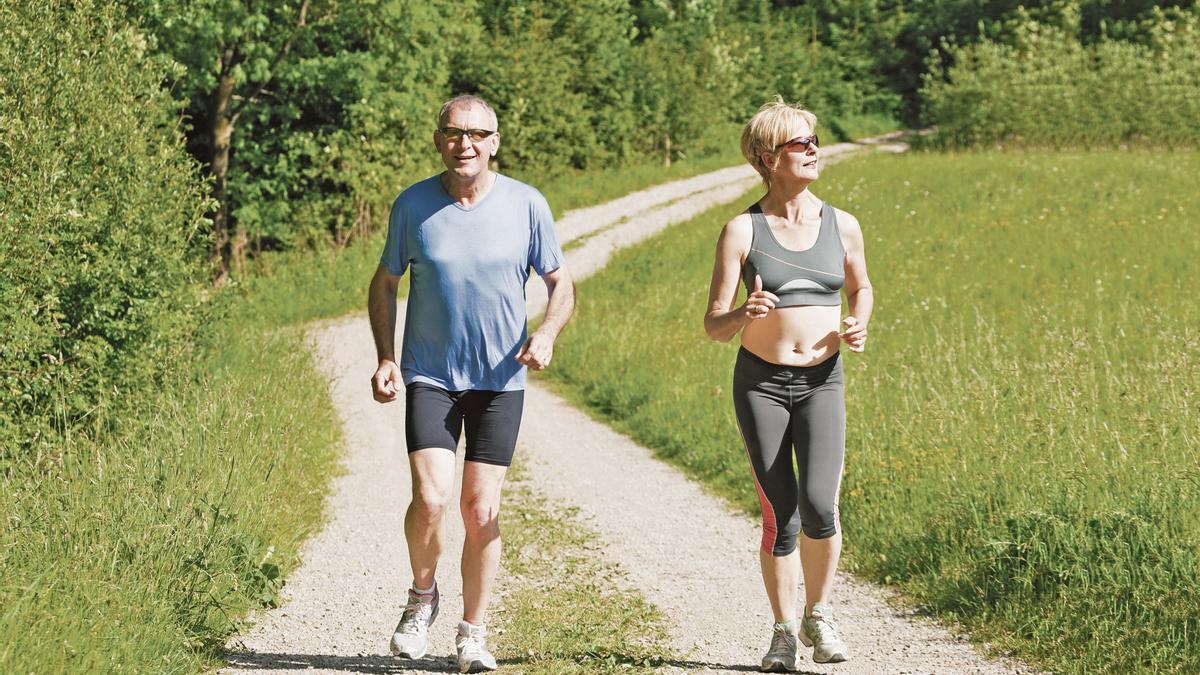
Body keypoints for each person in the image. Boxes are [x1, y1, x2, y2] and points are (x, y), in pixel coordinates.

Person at [368, 94, 575, 673]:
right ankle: (421, 598)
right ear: (439, 140)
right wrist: (386, 357)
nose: (466, 144)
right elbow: (383, 284)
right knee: (431, 500)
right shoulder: (412, 205)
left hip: (500, 381)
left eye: (478, 134)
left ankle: (473, 633)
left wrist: (549, 333)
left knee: (480, 510)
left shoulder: (527, 205)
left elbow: (562, 283)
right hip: (431, 375)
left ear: (495, 142)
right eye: (454, 133)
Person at [703, 98, 873, 671]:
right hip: (762, 386)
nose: (814, 151)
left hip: (824, 382)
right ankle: (781, 632)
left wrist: (859, 322)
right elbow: (713, 326)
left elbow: (862, 288)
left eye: (814, 141)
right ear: (768, 157)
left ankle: (819, 616)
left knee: (821, 505)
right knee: (782, 513)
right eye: (803, 144)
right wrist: (742, 313)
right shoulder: (742, 230)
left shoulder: (842, 224)